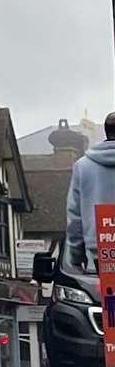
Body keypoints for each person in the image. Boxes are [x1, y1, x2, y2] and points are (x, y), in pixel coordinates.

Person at [66, 112, 115, 269]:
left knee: (105, 294)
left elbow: (75, 218)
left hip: (99, 257)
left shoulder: (83, 166)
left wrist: (75, 256)